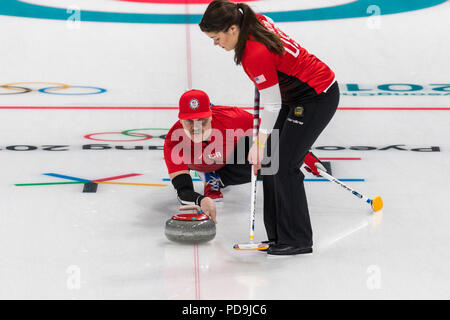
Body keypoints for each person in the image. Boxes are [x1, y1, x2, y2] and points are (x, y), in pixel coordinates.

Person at [199, 0, 340, 255]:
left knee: (284, 165)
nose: (216, 44)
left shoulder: (253, 53)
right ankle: (278, 235)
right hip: (293, 96)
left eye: (216, 38)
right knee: (270, 162)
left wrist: (259, 142)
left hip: (316, 96)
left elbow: (272, 103)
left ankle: (297, 239)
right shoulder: (253, 21)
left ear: (232, 29)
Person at [164, 89, 324, 226]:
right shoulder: (173, 142)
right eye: (189, 122)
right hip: (201, 164)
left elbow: (273, 133)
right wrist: (201, 200)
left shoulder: (232, 118)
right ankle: (209, 176)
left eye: (202, 120)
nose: (196, 127)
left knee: (270, 157)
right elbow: (183, 191)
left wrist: (305, 156)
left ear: (211, 115)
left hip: (229, 162)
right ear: (180, 120)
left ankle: (218, 178)